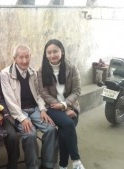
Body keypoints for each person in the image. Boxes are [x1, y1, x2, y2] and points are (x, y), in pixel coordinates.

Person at [0, 45, 57, 169]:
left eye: (27, 57)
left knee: (51, 129)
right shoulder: (5, 74)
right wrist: (22, 118)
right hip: (19, 112)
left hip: (35, 109)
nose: (24, 61)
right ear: (14, 58)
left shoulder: (33, 73)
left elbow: (39, 93)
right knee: (30, 134)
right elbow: (10, 101)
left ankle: (48, 164)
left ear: (30, 57)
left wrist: (42, 109)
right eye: (21, 57)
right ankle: (33, 166)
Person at [38, 39, 85, 169]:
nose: (52, 55)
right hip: (52, 107)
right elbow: (44, 93)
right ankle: (76, 161)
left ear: (62, 52)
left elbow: (77, 90)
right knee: (69, 124)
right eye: (49, 52)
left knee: (64, 132)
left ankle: (63, 165)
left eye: (55, 51)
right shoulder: (42, 70)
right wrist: (61, 107)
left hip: (71, 106)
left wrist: (65, 105)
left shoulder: (72, 68)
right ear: (45, 54)